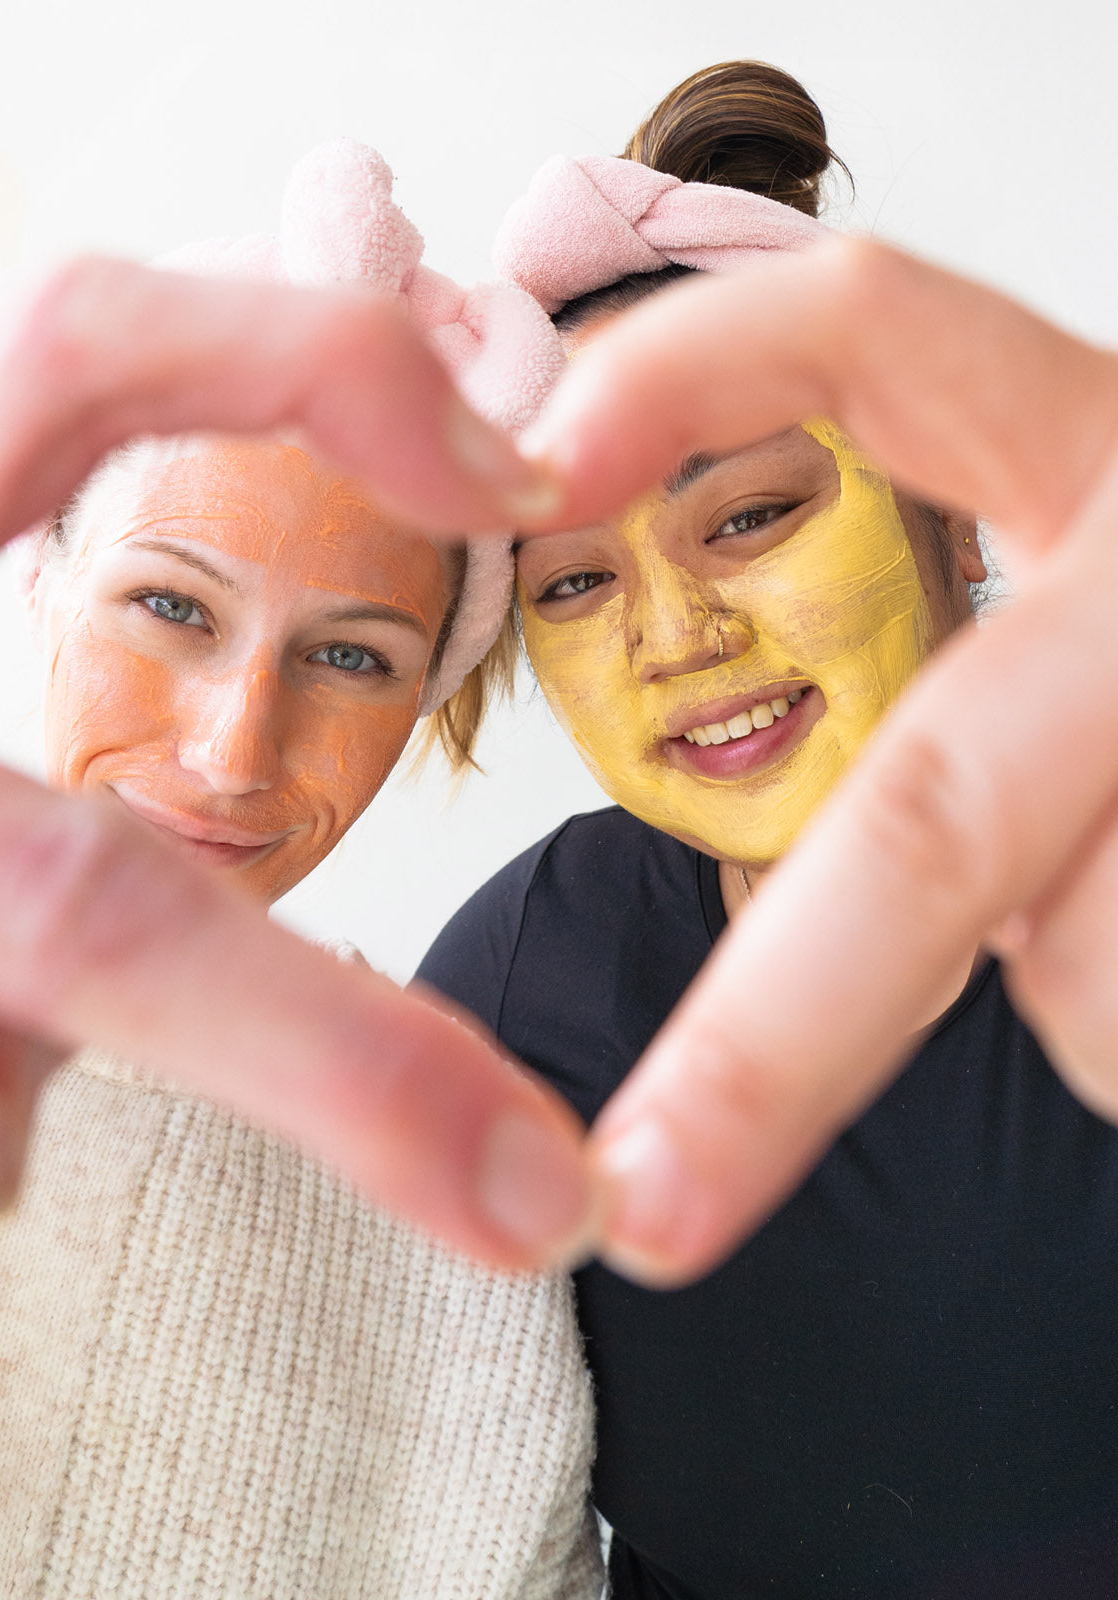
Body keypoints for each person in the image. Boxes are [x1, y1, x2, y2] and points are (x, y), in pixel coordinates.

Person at [418, 61, 1118, 1598]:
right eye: (577, 584)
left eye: (748, 514)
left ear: (954, 506)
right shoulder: (525, 986)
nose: (677, 636)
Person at [0, 145, 602, 1600]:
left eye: (350, 657)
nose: (237, 751)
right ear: (41, 583)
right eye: (171, 606)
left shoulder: (457, 1193)